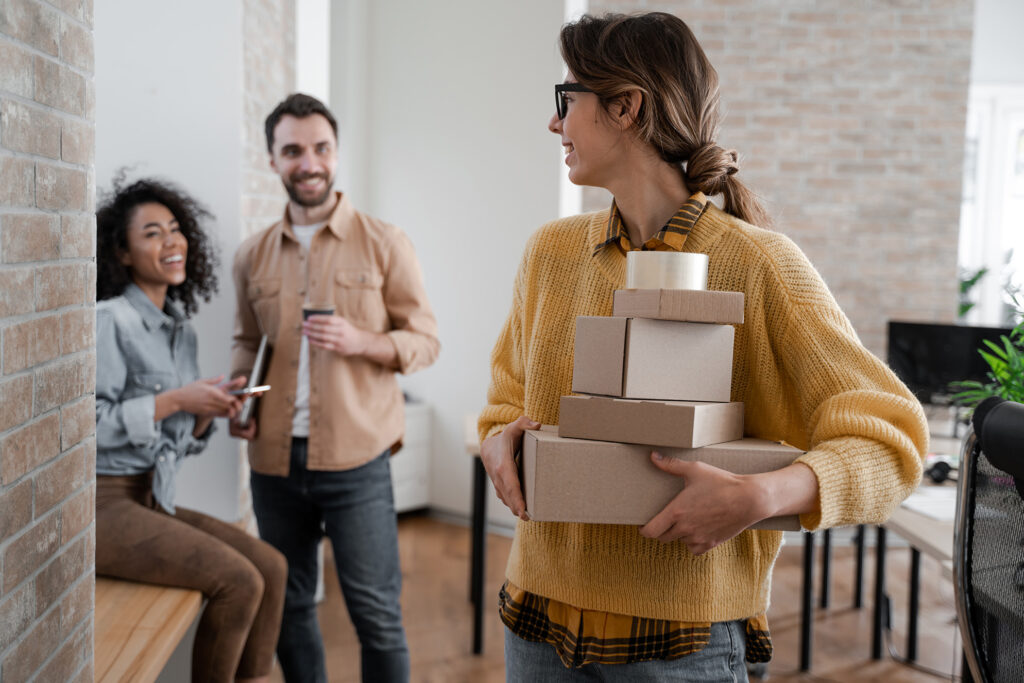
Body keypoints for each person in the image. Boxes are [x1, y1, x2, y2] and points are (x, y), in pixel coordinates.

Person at [479, 12, 929, 682]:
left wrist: (762, 494)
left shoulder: (759, 264)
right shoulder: (550, 254)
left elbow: (892, 440)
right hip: (539, 620)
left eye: (565, 100)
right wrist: (497, 438)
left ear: (625, 106)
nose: (554, 124)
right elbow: (506, 400)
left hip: (683, 640)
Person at [229, 93, 440, 683]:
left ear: (336, 154)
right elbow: (248, 343)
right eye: (292, 150)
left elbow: (424, 341)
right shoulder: (251, 256)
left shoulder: (384, 242)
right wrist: (242, 397)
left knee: (375, 614)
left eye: (320, 148)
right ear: (272, 160)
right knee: (290, 606)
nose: (309, 162)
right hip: (272, 464)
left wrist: (362, 341)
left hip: (358, 461)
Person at [95, 177, 287, 683]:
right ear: (123, 252)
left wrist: (203, 414)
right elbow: (84, 429)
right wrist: (177, 399)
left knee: (271, 566)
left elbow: (171, 441)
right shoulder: (109, 321)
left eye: (175, 230)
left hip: (151, 496)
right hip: (101, 504)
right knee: (239, 581)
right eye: (153, 233)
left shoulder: (179, 329)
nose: (172, 242)